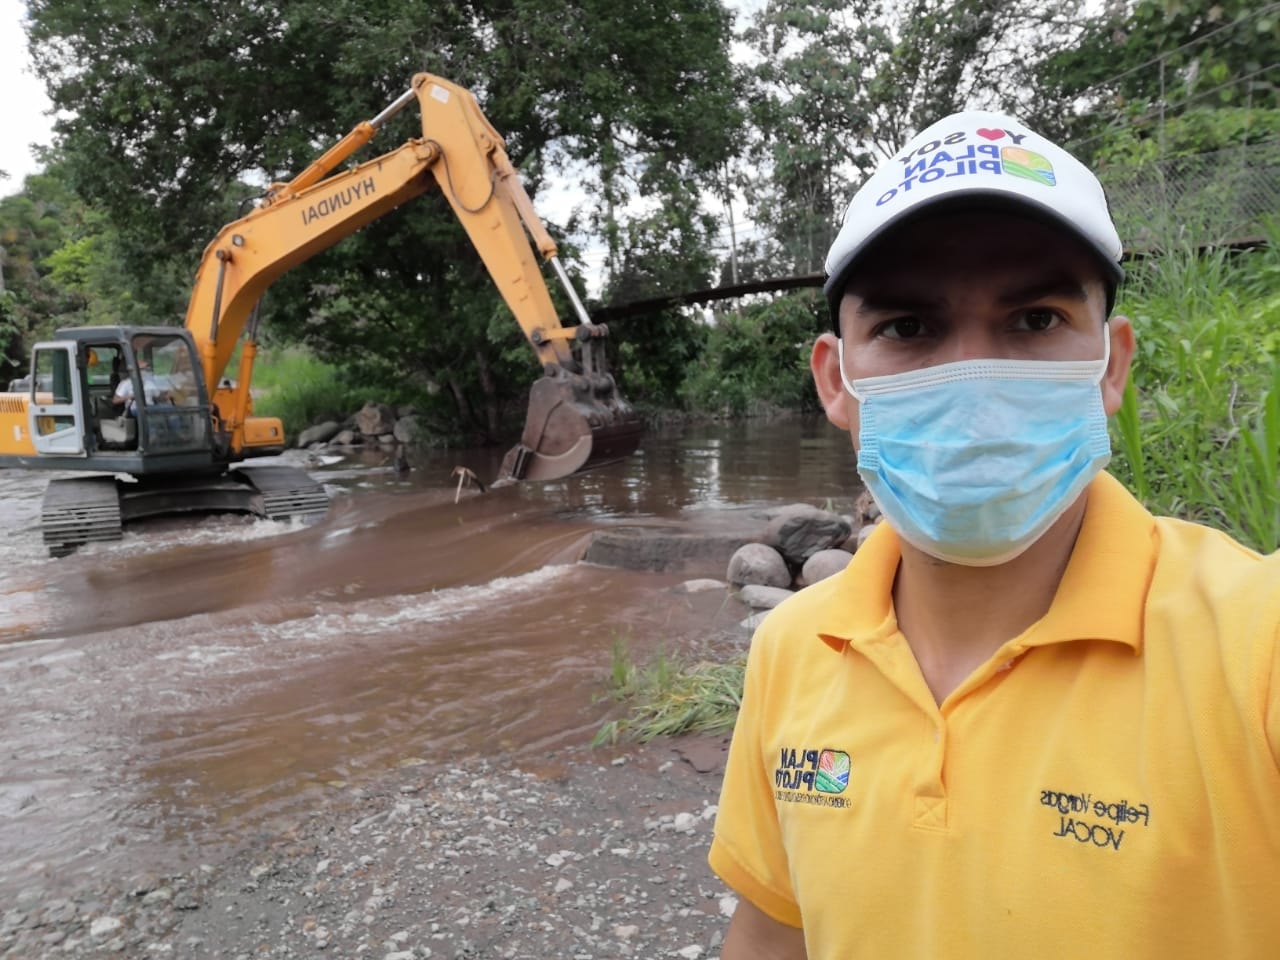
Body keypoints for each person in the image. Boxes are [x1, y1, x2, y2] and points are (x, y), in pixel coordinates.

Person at [708, 110, 1280, 959]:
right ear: (836, 381)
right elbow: (770, 938)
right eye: (909, 327)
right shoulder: (792, 650)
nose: (972, 382)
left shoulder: (1255, 644)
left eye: (1036, 320)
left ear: (1113, 365)